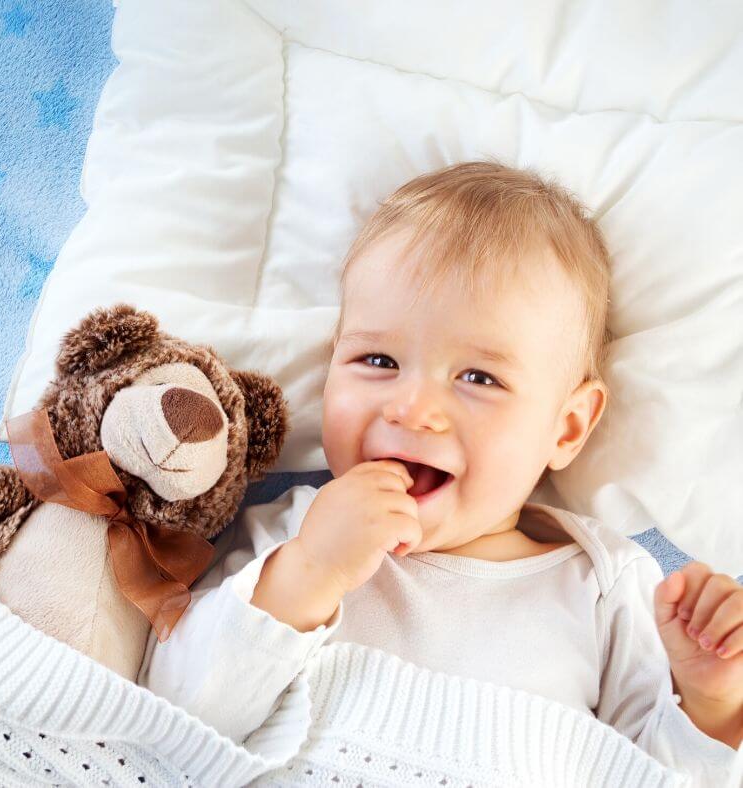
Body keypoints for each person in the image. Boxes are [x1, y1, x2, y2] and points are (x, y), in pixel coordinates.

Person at [137, 161, 743, 780]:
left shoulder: (601, 588)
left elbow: (658, 775)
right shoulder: (295, 535)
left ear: (565, 427)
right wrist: (309, 575)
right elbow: (171, 715)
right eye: (378, 359)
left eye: (479, 378)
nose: (413, 409)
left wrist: (710, 705)